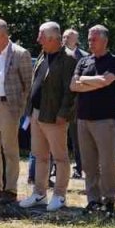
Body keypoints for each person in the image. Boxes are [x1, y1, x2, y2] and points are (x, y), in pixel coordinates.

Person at [19, 22, 77, 211]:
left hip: (54, 116)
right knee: (40, 156)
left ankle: (59, 196)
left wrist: (63, 114)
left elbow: (71, 91)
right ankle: (39, 194)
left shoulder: (68, 59)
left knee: (60, 158)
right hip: (37, 114)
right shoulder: (43, 55)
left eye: (41, 36)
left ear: (53, 38)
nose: (37, 40)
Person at [0, 19, 34, 204]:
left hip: (8, 107)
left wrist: (19, 109)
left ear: (3, 34)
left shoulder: (20, 53)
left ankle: (10, 190)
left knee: (9, 149)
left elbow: (28, 85)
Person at [71, 25, 115, 215]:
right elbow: (73, 86)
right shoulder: (84, 61)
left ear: (104, 40)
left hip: (105, 120)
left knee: (107, 162)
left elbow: (107, 81)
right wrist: (95, 81)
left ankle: (109, 200)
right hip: (83, 119)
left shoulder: (114, 61)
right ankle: (93, 200)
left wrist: (85, 81)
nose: (90, 42)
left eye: (94, 39)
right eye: (89, 39)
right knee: (88, 163)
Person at [64, 28, 87, 178]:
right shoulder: (56, 54)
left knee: (77, 138)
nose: (65, 39)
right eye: (64, 36)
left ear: (76, 40)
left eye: (69, 37)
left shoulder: (84, 57)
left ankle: (79, 167)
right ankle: (54, 168)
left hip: (76, 104)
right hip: (58, 103)